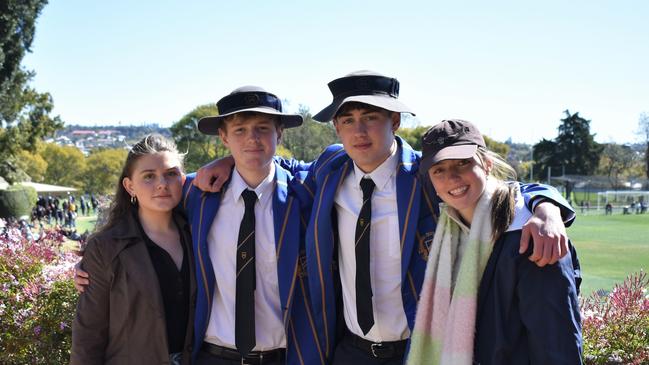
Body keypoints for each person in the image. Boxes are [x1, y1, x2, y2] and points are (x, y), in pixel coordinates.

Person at [195, 71, 575, 365]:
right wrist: (230, 158)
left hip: (417, 348)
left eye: (371, 117)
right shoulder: (328, 171)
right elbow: (269, 165)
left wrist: (548, 208)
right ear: (336, 128)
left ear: (394, 121)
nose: (359, 131)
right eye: (348, 119)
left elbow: (497, 189)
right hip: (349, 350)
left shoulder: (428, 176)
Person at [75, 87, 324, 365]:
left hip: (285, 356)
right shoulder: (198, 194)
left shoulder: (307, 192)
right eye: (239, 130)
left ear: (279, 133)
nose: (252, 139)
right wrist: (94, 266)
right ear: (223, 136)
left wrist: (233, 159)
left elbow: (343, 157)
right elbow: (147, 209)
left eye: (262, 128)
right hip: (212, 357)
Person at [407, 120, 582, 364]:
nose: (452, 177)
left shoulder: (532, 234)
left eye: (463, 163)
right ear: (431, 180)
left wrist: (547, 206)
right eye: (439, 170)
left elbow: (557, 344)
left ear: (487, 164)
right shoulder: (449, 231)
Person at [71, 134, 196, 365]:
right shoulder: (105, 248)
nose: (162, 183)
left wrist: (225, 161)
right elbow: (89, 333)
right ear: (130, 186)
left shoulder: (199, 234)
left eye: (171, 174)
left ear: (183, 179)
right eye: (149, 176)